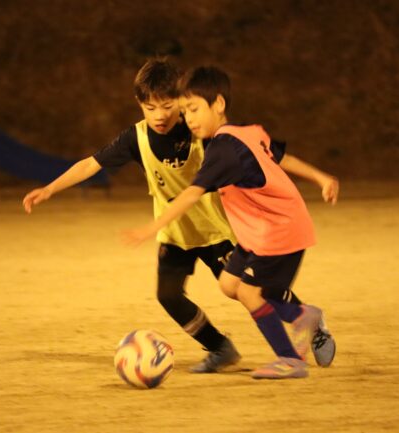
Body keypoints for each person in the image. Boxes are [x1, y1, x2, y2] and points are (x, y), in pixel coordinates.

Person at [23, 58, 334, 373]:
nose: (159, 115)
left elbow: (266, 154)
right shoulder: (136, 138)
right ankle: (220, 348)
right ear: (139, 104)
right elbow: (91, 164)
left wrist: (318, 177)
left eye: (168, 106)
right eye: (150, 107)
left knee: (248, 290)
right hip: (176, 233)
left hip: (216, 231)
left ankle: (307, 320)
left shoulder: (203, 130)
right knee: (169, 296)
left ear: (182, 101)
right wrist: (50, 188)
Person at [124, 65, 339, 379]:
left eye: (194, 109)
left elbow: (190, 194)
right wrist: (322, 177)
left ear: (219, 104)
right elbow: (281, 157)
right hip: (260, 232)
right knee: (229, 284)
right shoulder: (246, 132)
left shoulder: (223, 150)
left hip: (279, 231)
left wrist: (152, 228)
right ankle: (305, 316)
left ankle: (290, 359)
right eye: (185, 111)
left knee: (251, 293)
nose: (188, 119)